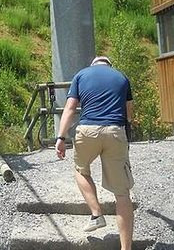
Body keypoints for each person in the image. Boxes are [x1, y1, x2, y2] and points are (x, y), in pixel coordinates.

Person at [55, 56, 134, 250]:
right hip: (115, 131)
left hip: (88, 131)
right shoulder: (121, 77)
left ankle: (97, 214)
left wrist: (61, 137)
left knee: (80, 170)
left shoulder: (81, 75)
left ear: (93, 65)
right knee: (122, 193)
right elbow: (129, 114)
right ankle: (126, 248)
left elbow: (70, 108)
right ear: (109, 65)